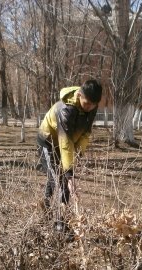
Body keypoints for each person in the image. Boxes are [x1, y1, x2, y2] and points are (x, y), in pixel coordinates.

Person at [37, 79, 102, 230]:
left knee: (55, 177)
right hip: (48, 141)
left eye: (93, 105)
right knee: (61, 182)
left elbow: (85, 134)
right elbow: (65, 142)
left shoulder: (92, 106)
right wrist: (70, 174)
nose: (89, 108)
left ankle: (45, 205)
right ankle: (60, 224)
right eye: (87, 104)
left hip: (65, 143)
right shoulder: (65, 109)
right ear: (79, 95)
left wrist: (77, 155)